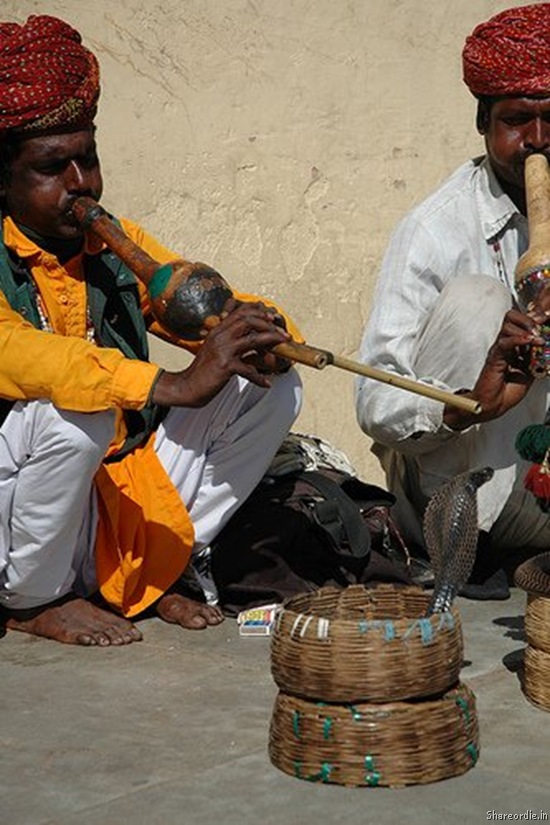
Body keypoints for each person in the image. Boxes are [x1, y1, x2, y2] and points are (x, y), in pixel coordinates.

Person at [0, 14, 302, 645]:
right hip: (17, 508)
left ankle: (153, 571)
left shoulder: (109, 240)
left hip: (99, 494)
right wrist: (174, 384)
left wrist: (260, 330)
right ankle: (32, 600)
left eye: (88, 159)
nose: (82, 186)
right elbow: (33, 358)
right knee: (71, 408)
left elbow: (189, 304)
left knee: (269, 386)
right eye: (54, 168)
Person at [355, 3, 550, 596]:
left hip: (538, 483)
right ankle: (472, 543)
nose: (538, 142)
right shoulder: (434, 228)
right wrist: (468, 402)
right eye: (517, 121)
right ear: (482, 121)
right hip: (457, 494)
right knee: (480, 301)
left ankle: (530, 553)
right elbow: (374, 402)